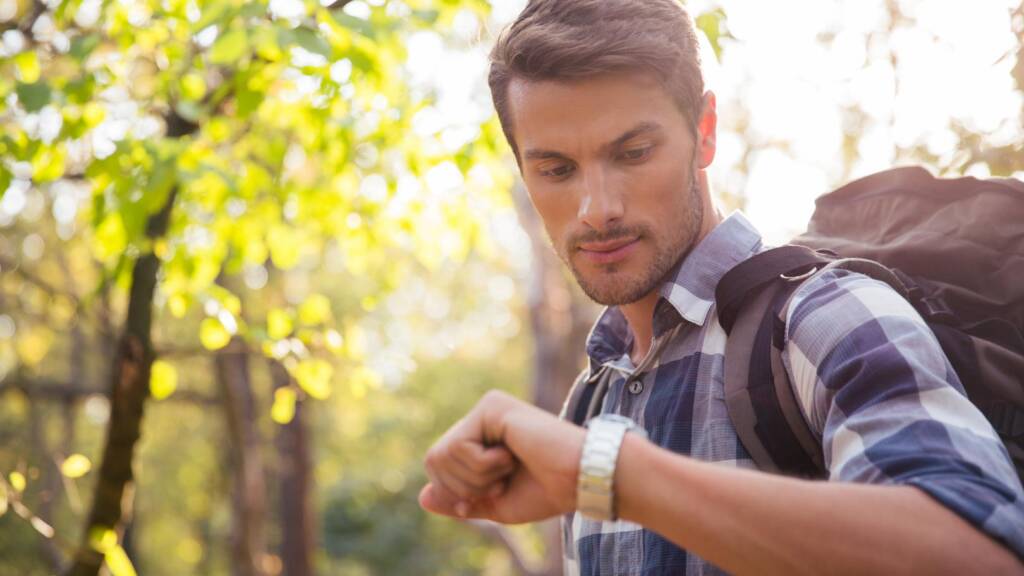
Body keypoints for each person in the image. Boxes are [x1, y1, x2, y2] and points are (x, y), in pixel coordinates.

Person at [417, 1, 1024, 574]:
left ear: (704, 132)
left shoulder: (824, 315)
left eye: (632, 152)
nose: (596, 208)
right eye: (555, 169)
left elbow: (985, 554)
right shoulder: (591, 396)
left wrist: (607, 474)